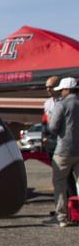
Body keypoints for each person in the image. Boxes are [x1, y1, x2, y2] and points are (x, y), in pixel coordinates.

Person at [45, 76, 78, 227]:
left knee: (60, 184)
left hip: (63, 150)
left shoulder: (61, 104)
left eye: (62, 90)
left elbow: (52, 128)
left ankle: (61, 217)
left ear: (66, 89)